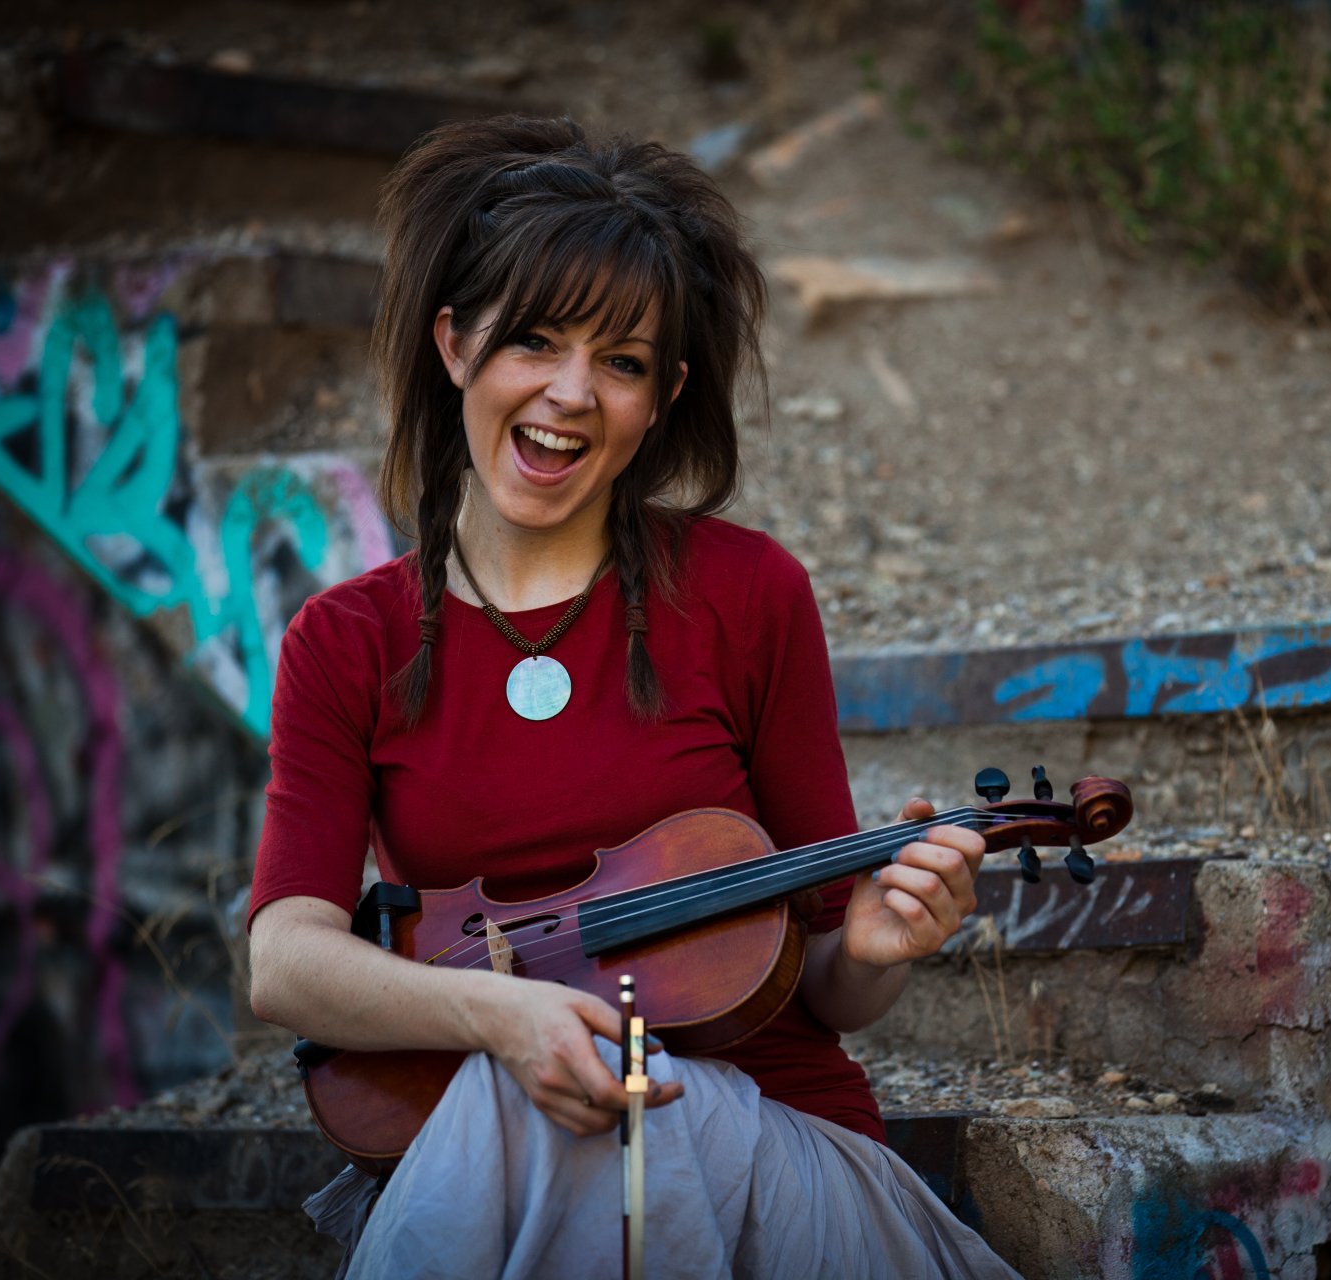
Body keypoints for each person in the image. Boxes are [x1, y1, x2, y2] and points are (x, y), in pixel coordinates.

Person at [245, 116, 1021, 1278]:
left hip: (775, 1166)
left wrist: (873, 946)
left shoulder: (749, 595)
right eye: (536, 341)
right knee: (532, 1099)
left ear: (662, 397)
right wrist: (502, 1019)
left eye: (620, 361)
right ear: (455, 344)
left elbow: (826, 987)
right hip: (515, 1156)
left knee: (581, 1105)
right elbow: (284, 958)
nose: (571, 393)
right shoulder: (344, 641)